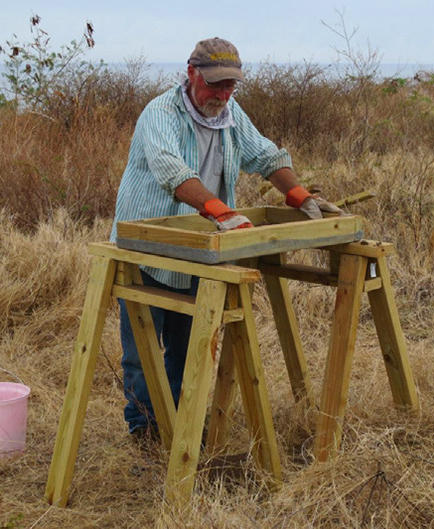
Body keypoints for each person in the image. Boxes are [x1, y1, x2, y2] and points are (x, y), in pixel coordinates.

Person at [110, 37, 341, 439]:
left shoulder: (230, 112)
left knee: (188, 346)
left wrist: (299, 194)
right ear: (191, 73)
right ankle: (144, 429)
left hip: (200, 249)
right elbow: (171, 170)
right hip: (147, 245)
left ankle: (182, 425)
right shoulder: (160, 113)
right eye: (214, 85)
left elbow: (266, 155)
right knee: (140, 355)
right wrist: (222, 212)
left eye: (230, 86)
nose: (222, 94)